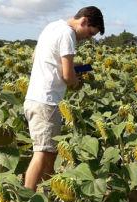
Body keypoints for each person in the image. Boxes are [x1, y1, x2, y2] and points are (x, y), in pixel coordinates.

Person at [23, 6, 104, 191]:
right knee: (41, 153)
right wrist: (76, 83)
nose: (88, 38)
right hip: (47, 101)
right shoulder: (68, 35)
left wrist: (80, 68)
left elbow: (41, 58)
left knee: (50, 152)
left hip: (34, 98)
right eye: (90, 33)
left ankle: (49, 195)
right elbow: (68, 76)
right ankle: (26, 201)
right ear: (83, 21)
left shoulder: (52, 27)